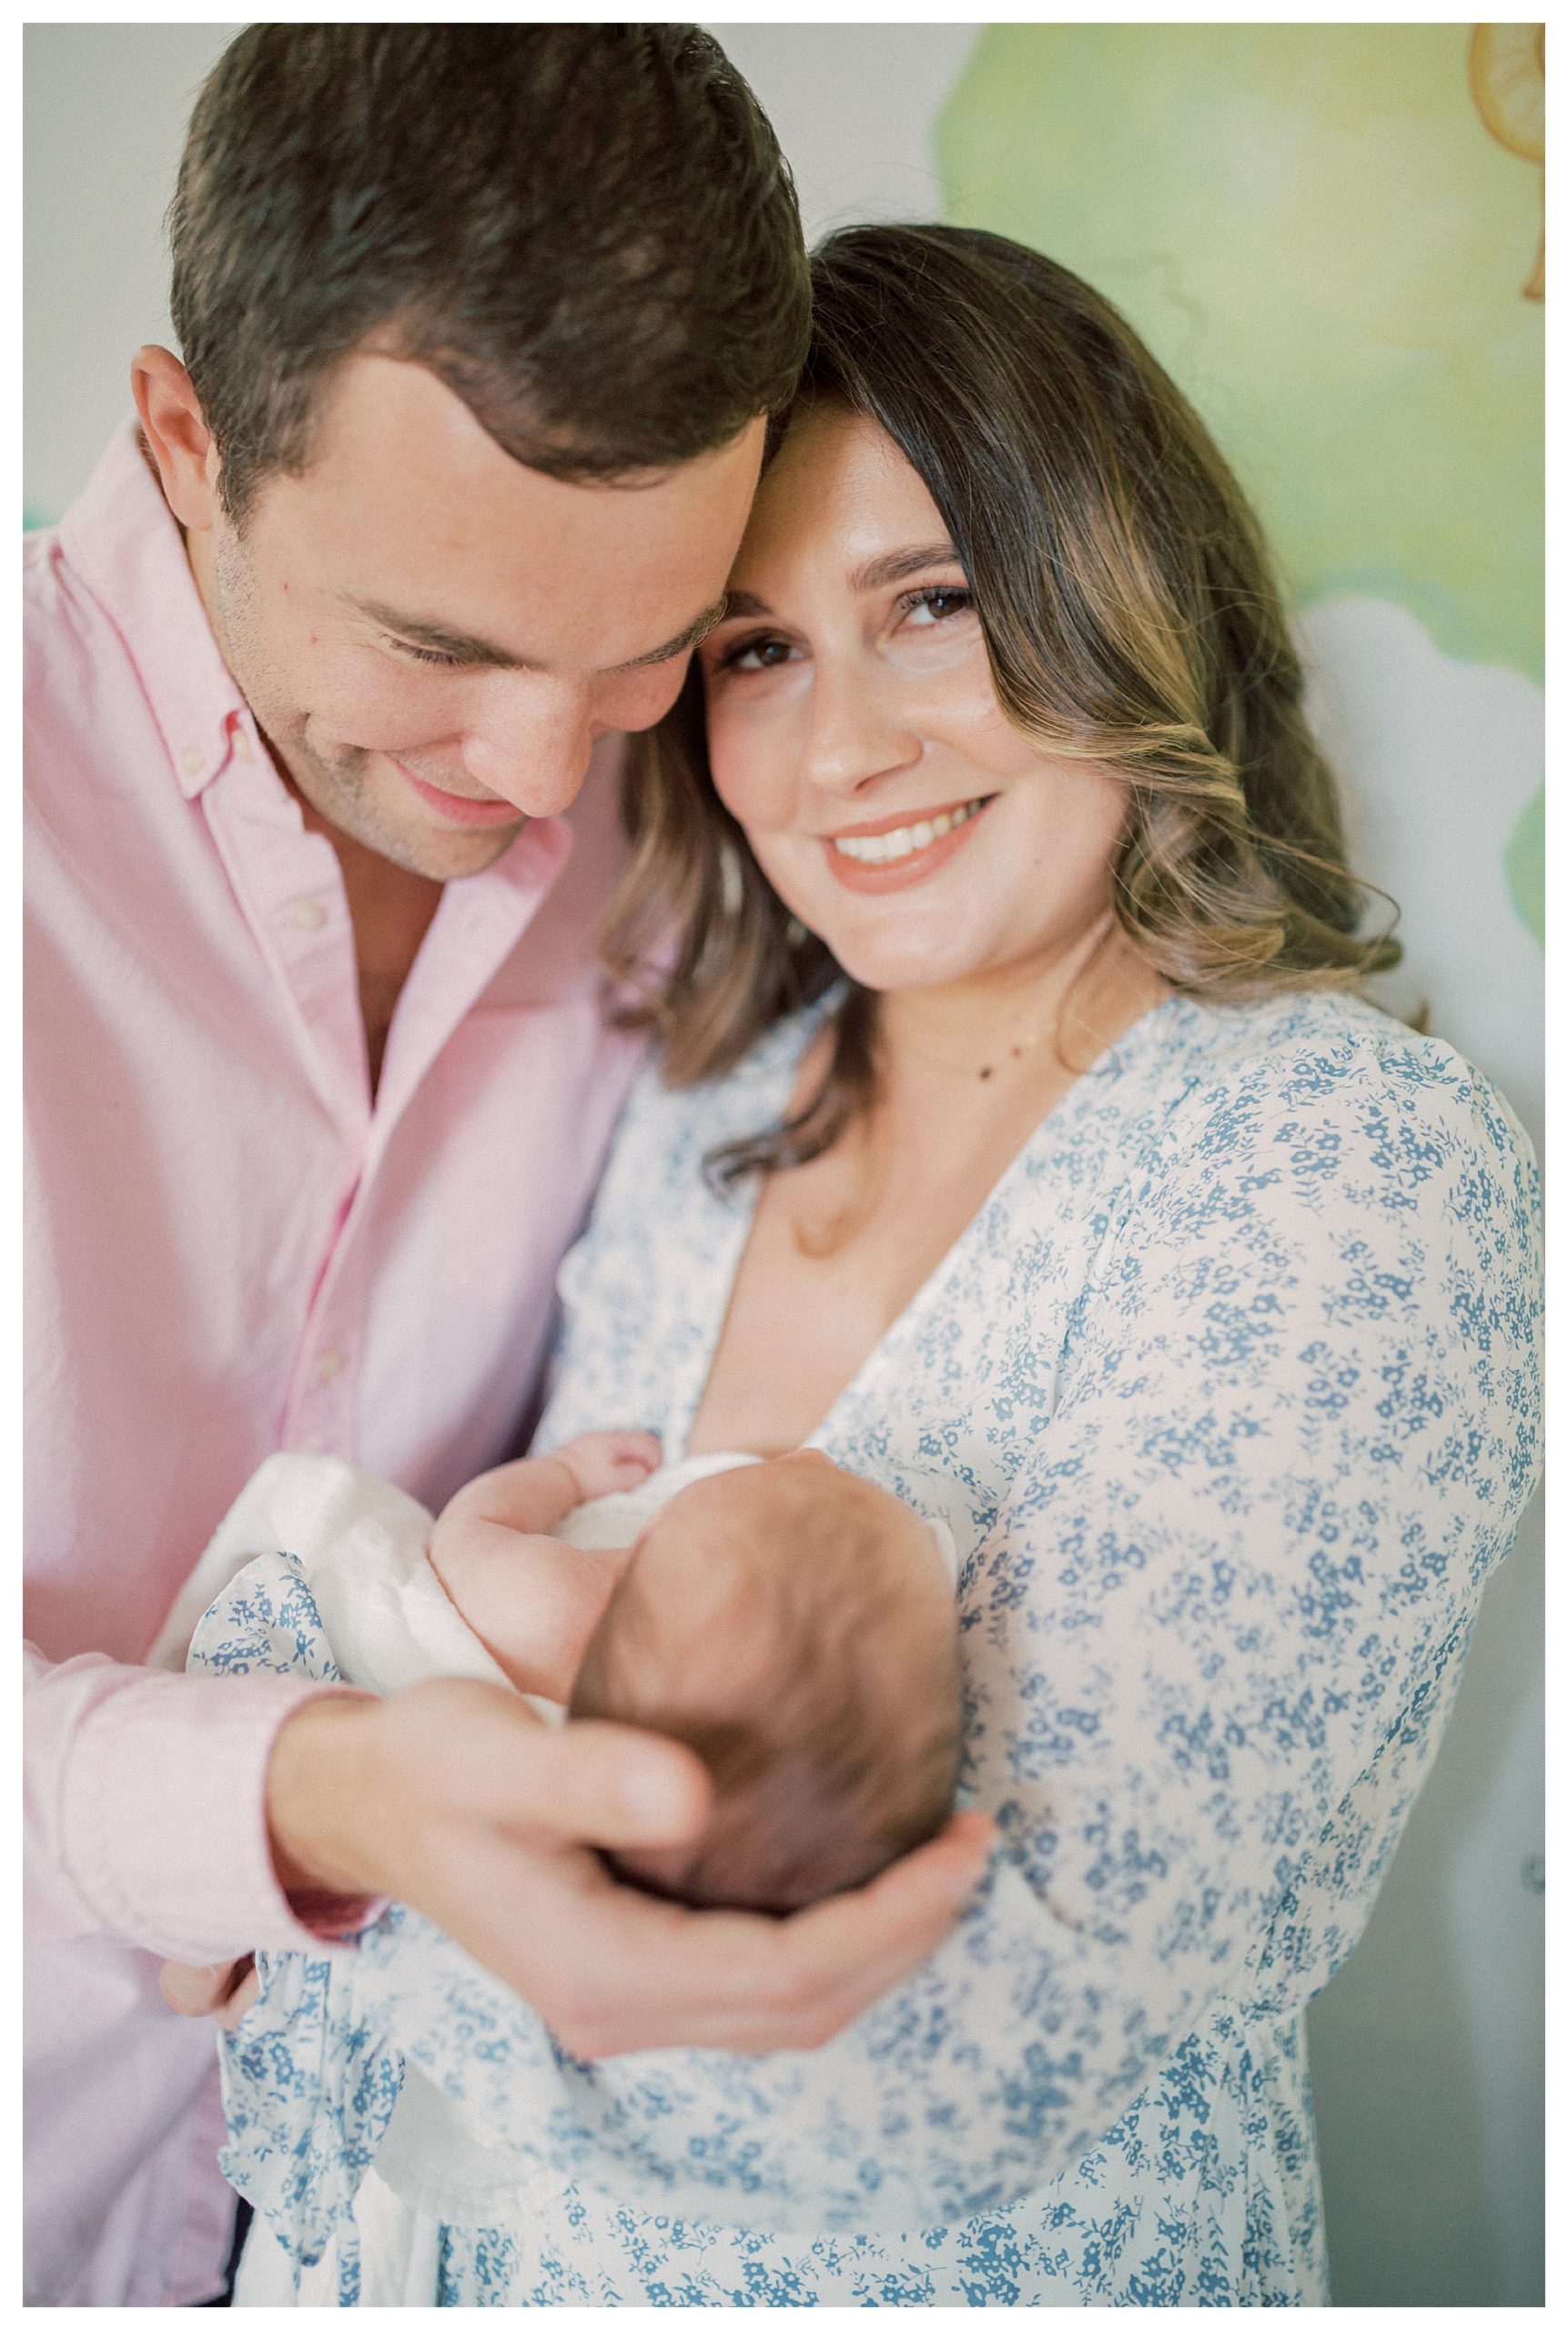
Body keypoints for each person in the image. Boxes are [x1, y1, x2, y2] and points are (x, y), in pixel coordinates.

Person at [209, 223, 1542, 2305]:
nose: (839, 755)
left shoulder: (1333, 1176)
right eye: (754, 651)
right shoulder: (711, 1108)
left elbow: (974, 2051)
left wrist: (338, 1831)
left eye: (928, 604)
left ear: (1131, 584)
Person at [22, 35, 990, 2308]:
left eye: (642, 640)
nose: (545, 768)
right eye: (436, 646)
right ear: (187, 444)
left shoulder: (685, 813)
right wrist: (334, 1792)